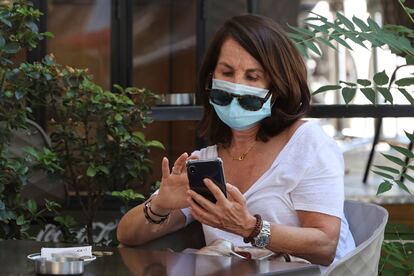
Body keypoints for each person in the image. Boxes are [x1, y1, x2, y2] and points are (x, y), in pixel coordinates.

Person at [117, 14, 355, 270]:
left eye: (252, 77)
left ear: (277, 86)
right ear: (211, 78)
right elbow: (127, 236)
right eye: (227, 72)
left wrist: (249, 227)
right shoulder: (205, 162)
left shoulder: (308, 143)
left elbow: (324, 245)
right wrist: (161, 205)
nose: (236, 86)